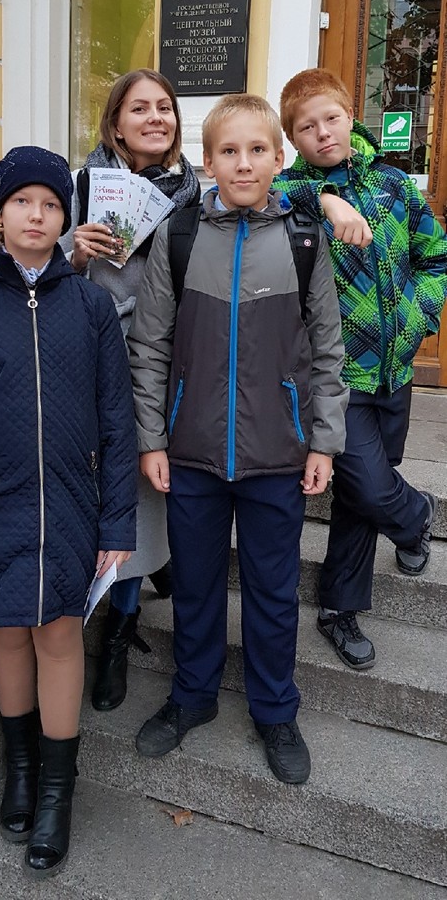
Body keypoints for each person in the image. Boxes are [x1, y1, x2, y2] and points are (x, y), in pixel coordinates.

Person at [0, 146, 138, 878]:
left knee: (58, 633)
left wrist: (117, 522)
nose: (37, 215)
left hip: (74, 502)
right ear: (1, 213)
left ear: (64, 218)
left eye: (50, 205)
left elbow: (116, 418)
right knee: (8, 630)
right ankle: (20, 768)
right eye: (23, 202)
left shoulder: (90, 305)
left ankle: (55, 793)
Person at [126, 94, 348, 784]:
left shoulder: (304, 240)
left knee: (273, 592)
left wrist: (322, 442)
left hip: (278, 456)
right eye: (229, 151)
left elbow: (327, 352)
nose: (243, 163)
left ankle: (275, 711)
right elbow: (149, 345)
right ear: (207, 161)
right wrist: (151, 439)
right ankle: (191, 696)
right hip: (191, 453)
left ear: (279, 159)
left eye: (257, 150)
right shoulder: (180, 235)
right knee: (194, 585)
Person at [279, 68, 447, 670]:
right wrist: (324, 198)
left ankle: (339, 609)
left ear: (350, 116)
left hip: (394, 374)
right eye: (307, 127)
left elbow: (436, 257)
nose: (323, 133)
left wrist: (417, 316)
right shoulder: (287, 197)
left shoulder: (394, 186)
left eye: (331, 118)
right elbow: (272, 195)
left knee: (360, 497)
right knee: (373, 487)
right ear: (292, 139)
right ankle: (416, 516)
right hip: (335, 383)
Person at [61, 69, 200, 712]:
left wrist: (331, 202)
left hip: (167, 363)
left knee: (146, 491)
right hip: (96, 361)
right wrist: (73, 252)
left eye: (164, 107)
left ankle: (121, 624)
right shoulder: (81, 185)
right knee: (106, 491)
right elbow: (29, 264)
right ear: (116, 122)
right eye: (139, 108)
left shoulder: (198, 192)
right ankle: (121, 599)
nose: (155, 117)